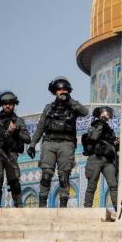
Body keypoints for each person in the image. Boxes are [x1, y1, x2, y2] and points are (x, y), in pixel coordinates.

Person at [27, 76, 89, 207]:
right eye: (60, 89)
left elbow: (85, 112)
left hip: (66, 144)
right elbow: (40, 127)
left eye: (65, 89)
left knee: (64, 175)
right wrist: (32, 145)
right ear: (55, 91)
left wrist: (70, 100)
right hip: (49, 143)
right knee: (46, 174)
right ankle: (42, 205)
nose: (62, 91)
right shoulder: (49, 108)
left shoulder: (73, 107)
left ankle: (63, 206)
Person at [0, 91, 31, 208]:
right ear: (1, 105)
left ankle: (18, 205)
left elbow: (27, 139)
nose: (7, 106)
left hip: (11, 154)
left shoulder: (19, 121)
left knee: (14, 180)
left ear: (14, 105)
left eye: (10, 103)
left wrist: (16, 131)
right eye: (5, 104)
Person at [82, 105, 119, 209]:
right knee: (92, 185)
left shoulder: (110, 130)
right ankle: (87, 209)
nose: (106, 115)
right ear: (99, 115)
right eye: (104, 113)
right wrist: (100, 124)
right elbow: (94, 137)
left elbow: (114, 147)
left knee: (113, 185)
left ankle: (117, 209)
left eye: (107, 113)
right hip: (96, 158)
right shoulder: (94, 126)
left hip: (108, 161)